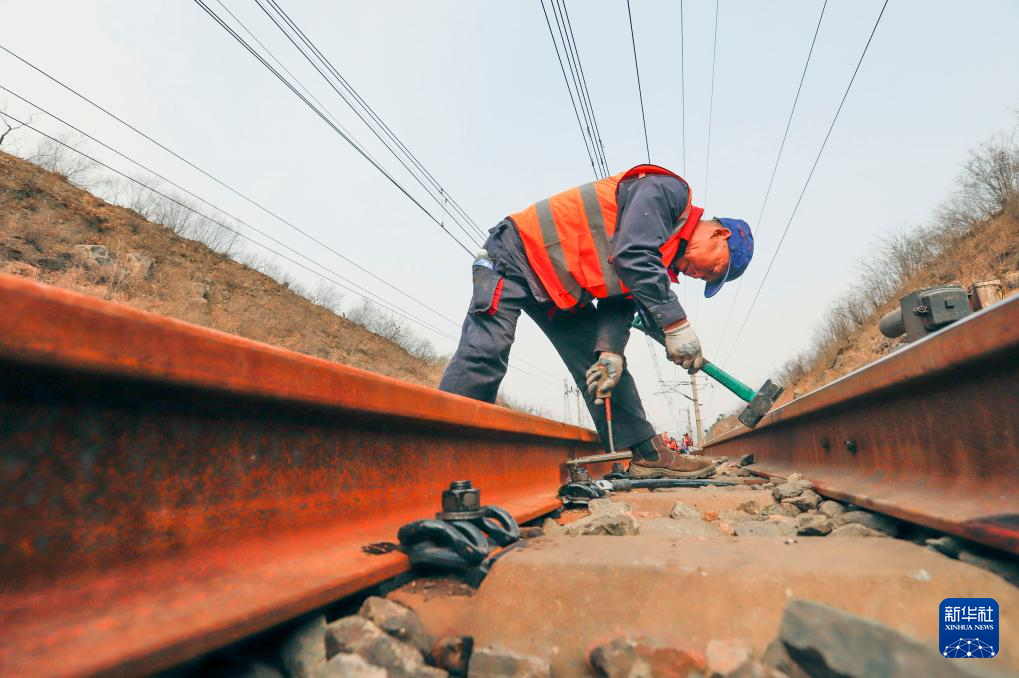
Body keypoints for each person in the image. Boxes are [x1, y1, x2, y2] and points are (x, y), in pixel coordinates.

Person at [439, 164, 753, 479]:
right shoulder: (669, 192)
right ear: (720, 234)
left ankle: (649, 455)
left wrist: (610, 351)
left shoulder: (657, 257)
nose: (699, 276)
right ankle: (446, 452)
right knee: (486, 350)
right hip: (513, 254)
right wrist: (675, 324)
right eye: (712, 269)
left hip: (559, 289)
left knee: (602, 368)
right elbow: (633, 255)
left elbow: (619, 302)